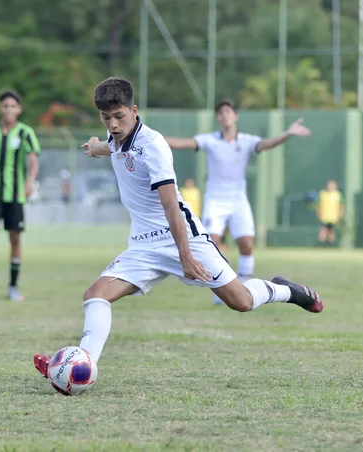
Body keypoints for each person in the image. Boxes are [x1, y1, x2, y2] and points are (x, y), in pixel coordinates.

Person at [33, 77, 323, 379]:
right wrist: (97, 147)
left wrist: (185, 255)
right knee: (95, 294)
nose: (114, 125)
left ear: (134, 111)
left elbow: (171, 206)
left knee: (241, 302)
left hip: (184, 238)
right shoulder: (116, 139)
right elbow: (116, 147)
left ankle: (287, 290)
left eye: (119, 116)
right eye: (106, 118)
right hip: (143, 246)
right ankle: (82, 366)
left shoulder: (154, 146)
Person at [164, 100, 311, 305]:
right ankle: (219, 292)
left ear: (235, 116)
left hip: (238, 201)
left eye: (227, 111)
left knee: (247, 245)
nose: (224, 116)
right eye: (220, 113)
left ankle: (244, 288)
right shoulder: (210, 140)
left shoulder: (247, 141)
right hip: (215, 200)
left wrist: (287, 133)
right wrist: (151, 138)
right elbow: (181, 143)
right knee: (212, 245)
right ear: (218, 119)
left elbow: (267, 144)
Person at [0, 89, 41, 302]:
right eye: (5, 105)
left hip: (15, 194)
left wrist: (30, 181)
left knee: (15, 237)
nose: (9, 109)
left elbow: (33, 159)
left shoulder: (25, 132)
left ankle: (13, 287)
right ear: (0, 108)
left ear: (19, 109)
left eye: (13, 106)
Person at [315, 180, 344, 247]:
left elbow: (341, 206)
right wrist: (319, 213)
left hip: (333, 217)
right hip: (325, 217)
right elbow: (318, 205)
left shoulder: (338, 195)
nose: (330, 187)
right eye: (329, 185)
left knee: (331, 232)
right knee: (323, 230)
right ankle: (321, 245)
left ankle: (331, 246)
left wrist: (340, 215)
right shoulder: (322, 194)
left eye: (332, 185)